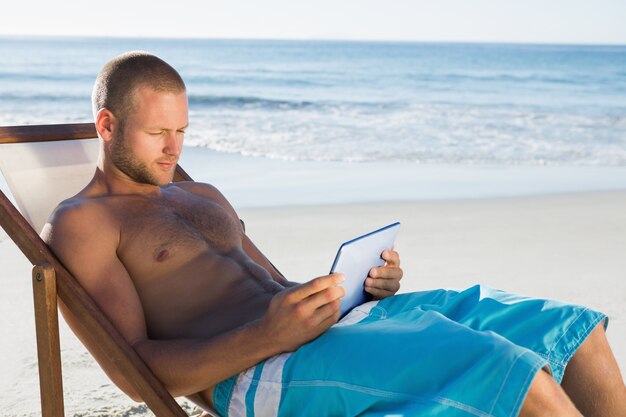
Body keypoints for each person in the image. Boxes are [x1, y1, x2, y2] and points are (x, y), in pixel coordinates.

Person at [42, 51, 625, 417]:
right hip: (260, 372)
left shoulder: (201, 195)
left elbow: (275, 285)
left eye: (182, 130)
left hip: (328, 329)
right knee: (507, 368)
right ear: (107, 125)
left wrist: (357, 289)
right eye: (156, 134)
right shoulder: (84, 222)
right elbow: (135, 375)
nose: (175, 148)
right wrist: (271, 335)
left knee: (569, 328)